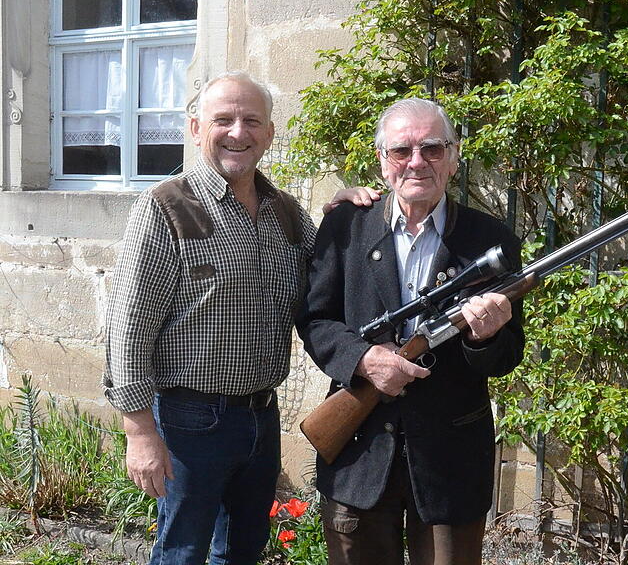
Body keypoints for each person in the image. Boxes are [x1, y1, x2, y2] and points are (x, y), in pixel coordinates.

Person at [103, 71, 378, 565]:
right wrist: (139, 432)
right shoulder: (167, 207)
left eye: (252, 120)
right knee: (182, 551)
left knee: (243, 550)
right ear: (195, 128)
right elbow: (129, 324)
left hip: (261, 416)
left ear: (269, 133)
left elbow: (329, 280)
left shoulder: (287, 214)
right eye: (223, 120)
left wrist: (344, 213)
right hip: (190, 421)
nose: (238, 132)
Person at [296, 97, 526, 565]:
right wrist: (363, 360)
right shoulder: (346, 226)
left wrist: (484, 337)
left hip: (450, 461)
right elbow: (315, 319)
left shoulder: (492, 241)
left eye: (432, 149)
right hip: (361, 455)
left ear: (454, 157)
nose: (416, 162)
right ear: (383, 162)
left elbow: (506, 357)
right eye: (402, 151)